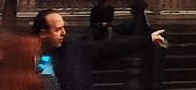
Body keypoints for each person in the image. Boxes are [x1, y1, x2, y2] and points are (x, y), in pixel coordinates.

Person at [31, 6, 167, 90]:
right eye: (58, 29)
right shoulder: (26, 57)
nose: (64, 32)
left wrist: (147, 39)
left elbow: (109, 47)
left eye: (63, 28)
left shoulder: (74, 48)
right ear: (43, 33)